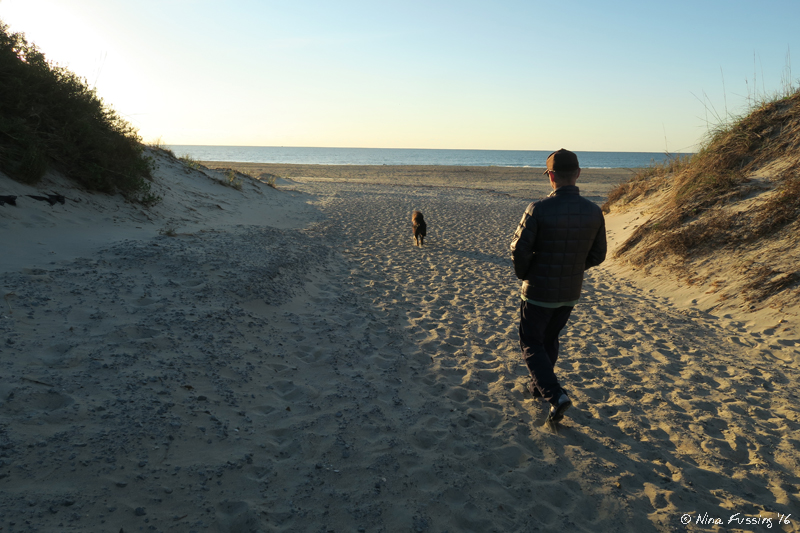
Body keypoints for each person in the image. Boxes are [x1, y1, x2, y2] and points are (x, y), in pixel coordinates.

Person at [510, 149, 606, 423]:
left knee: (530, 341)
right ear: (577, 174)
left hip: (540, 292)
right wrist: (572, 269)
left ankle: (555, 394)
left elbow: (518, 251)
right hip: (569, 293)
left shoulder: (538, 208)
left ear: (551, 176)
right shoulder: (593, 211)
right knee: (549, 339)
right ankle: (537, 387)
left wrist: (528, 274)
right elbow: (598, 255)